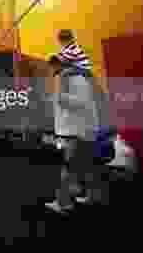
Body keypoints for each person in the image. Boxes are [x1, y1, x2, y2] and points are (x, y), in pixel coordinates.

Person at [45, 55, 100, 213]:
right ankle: (91, 195)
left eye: (52, 67)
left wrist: (57, 98)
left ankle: (63, 203)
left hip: (73, 129)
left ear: (57, 65)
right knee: (86, 164)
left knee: (68, 166)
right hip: (86, 127)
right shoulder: (83, 78)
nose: (51, 71)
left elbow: (69, 102)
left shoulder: (64, 78)